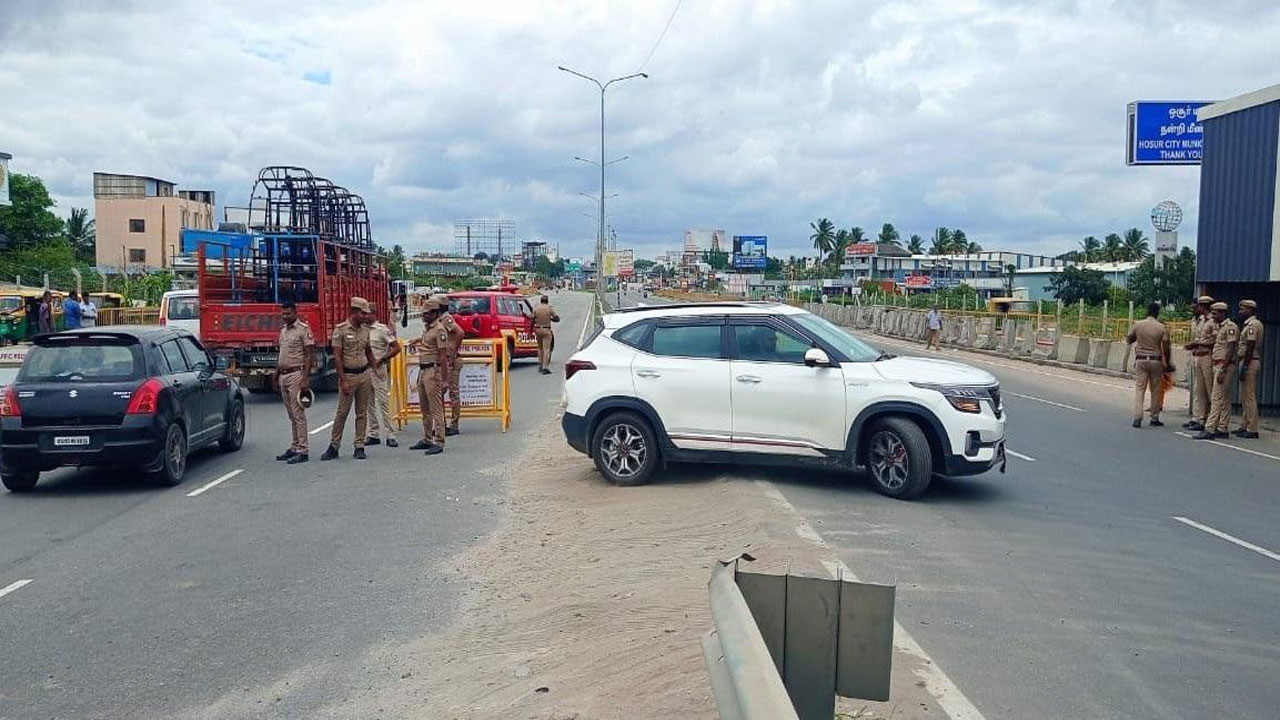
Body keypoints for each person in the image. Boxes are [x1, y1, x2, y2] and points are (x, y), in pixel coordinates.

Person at [320, 297, 378, 461]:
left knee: (362, 413)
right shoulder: (341, 330)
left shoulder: (366, 330)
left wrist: (375, 370)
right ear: (353, 312)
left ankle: (359, 446)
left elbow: (368, 351)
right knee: (342, 413)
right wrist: (343, 379)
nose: (366, 316)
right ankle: (334, 446)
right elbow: (337, 357)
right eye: (362, 313)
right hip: (349, 375)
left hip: (364, 375)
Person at [274, 301, 315, 464]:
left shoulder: (303, 330)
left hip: (296, 374)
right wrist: (276, 374)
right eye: (283, 314)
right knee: (291, 415)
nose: (285, 316)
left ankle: (303, 450)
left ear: (295, 313)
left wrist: (305, 378)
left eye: (288, 313)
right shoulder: (283, 331)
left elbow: (309, 355)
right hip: (283, 375)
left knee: (298, 414)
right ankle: (295, 446)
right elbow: (281, 354)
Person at [409, 297, 449, 455]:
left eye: (426, 313)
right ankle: (427, 438)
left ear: (434, 313)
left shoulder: (440, 330)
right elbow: (428, 342)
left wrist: (445, 380)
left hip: (433, 371)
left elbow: (443, 356)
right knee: (424, 407)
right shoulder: (428, 329)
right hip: (423, 370)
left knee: (436, 408)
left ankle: (439, 440)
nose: (423, 316)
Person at [1195, 302, 1238, 440]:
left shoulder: (1230, 327)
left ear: (1223, 313)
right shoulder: (1220, 327)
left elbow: (1231, 349)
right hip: (1217, 364)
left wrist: (1223, 369)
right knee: (1224, 398)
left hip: (1223, 365)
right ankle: (1222, 427)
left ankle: (1210, 428)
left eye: (1215, 313)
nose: (1212, 316)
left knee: (1216, 396)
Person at [1126, 301, 1171, 428]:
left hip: (1140, 360)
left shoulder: (1138, 324)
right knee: (1156, 389)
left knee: (1140, 389)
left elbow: (1129, 339)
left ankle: (1137, 417)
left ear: (1147, 311)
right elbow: (1166, 347)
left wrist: (1138, 338)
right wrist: (1166, 362)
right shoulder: (1161, 327)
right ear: (1157, 313)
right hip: (1156, 360)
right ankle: (1154, 417)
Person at [364, 304, 403, 448]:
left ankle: (390, 434)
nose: (365, 316)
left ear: (374, 314)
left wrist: (383, 359)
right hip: (365, 370)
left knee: (383, 403)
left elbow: (397, 347)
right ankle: (373, 433)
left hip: (378, 369)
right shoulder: (362, 330)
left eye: (367, 314)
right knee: (369, 404)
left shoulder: (381, 330)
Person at [431, 293, 466, 435]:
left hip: (451, 361)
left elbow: (460, 333)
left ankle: (454, 424)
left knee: (453, 393)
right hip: (443, 361)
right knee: (440, 393)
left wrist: (452, 352)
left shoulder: (446, 319)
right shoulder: (438, 320)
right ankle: (442, 424)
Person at [1182, 295, 1216, 431]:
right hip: (1197, 355)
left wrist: (1197, 343)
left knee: (1210, 390)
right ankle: (1198, 418)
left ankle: (1212, 419)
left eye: (1198, 306)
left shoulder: (1212, 321)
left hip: (1207, 356)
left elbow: (1214, 339)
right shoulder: (1199, 320)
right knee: (1198, 389)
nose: (1196, 309)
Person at [1233, 299, 1264, 439]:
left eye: (1243, 309)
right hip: (1247, 361)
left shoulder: (1253, 325)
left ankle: (1252, 428)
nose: (1240, 312)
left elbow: (1250, 345)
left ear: (1250, 310)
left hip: (1250, 361)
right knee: (1245, 396)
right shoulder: (1249, 324)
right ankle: (1245, 425)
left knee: (1249, 396)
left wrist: (1244, 366)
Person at [532, 294, 560, 375]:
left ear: (541, 301)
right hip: (546, 330)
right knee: (546, 349)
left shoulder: (536, 308)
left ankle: (540, 365)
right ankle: (545, 367)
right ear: (547, 301)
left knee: (540, 348)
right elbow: (557, 318)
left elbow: (532, 319)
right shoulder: (549, 308)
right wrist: (550, 318)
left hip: (537, 329)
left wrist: (531, 330)